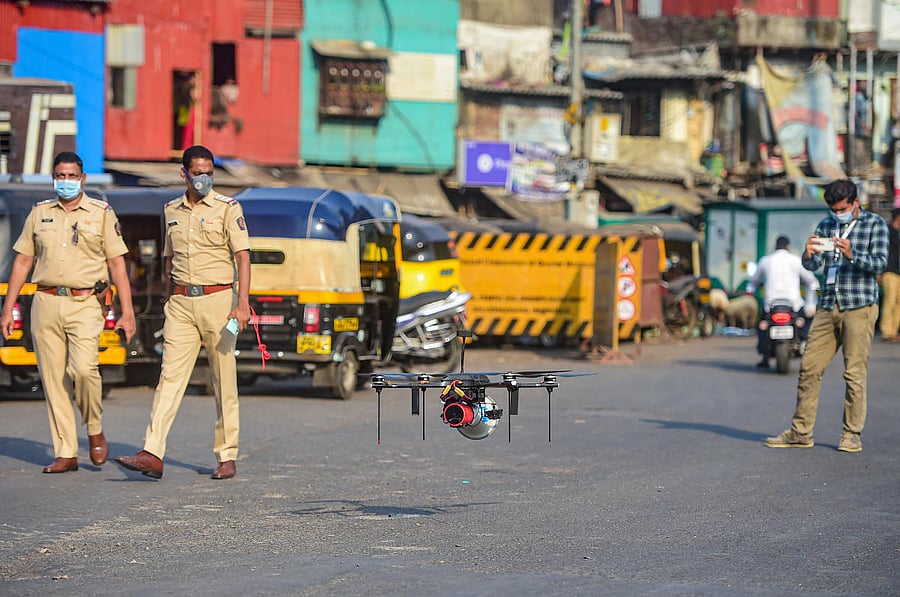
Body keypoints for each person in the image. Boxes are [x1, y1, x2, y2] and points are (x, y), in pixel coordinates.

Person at [115, 145, 250, 480]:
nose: (203, 178)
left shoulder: (228, 208)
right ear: (184, 173)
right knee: (169, 378)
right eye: (197, 172)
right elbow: (168, 258)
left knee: (223, 379)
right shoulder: (170, 209)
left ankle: (227, 455)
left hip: (219, 301)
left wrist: (242, 303)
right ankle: (152, 452)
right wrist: (167, 297)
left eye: (209, 173)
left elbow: (243, 257)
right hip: (180, 303)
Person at [0, 152, 136, 473]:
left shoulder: (101, 213)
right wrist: (7, 309)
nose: (66, 182)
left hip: (85, 302)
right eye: (60, 176)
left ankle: (94, 426)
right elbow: (22, 261)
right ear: (53, 178)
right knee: (53, 379)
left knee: (84, 370)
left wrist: (127, 311)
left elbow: (117, 264)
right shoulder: (39, 213)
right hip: (45, 301)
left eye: (72, 176)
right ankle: (66, 451)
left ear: (82, 178)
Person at [766, 179, 888, 453]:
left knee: (854, 374)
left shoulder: (875, 224)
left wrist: (852, 254)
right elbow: (814, 265)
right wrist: (808, 255)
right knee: (809, 368)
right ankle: (801, 432)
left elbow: (880, 263)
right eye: (833, 209)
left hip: (859, 305)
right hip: (828, 304)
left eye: (842, 209)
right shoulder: (826, 225)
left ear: (855, 203)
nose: (837, 213)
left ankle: (851, 434)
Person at [747, 235, 820, 368]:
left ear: (775, 247)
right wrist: (810, 304)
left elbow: (754, 282)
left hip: (771, 305)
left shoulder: (765, 261)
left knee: (762, 326)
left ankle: (764, 356)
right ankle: (804, 345)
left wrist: (751, 290)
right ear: (789, 247)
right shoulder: (796, 261)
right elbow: (813, 282)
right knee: (807, 323)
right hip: (794, 304)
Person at [880, 208, 900, 341]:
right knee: (890, 301)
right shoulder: (887, 232)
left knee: (898, 302)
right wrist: (880, 271)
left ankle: (894, 331)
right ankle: (886, 331)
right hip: (889, 270)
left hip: (898, 270)